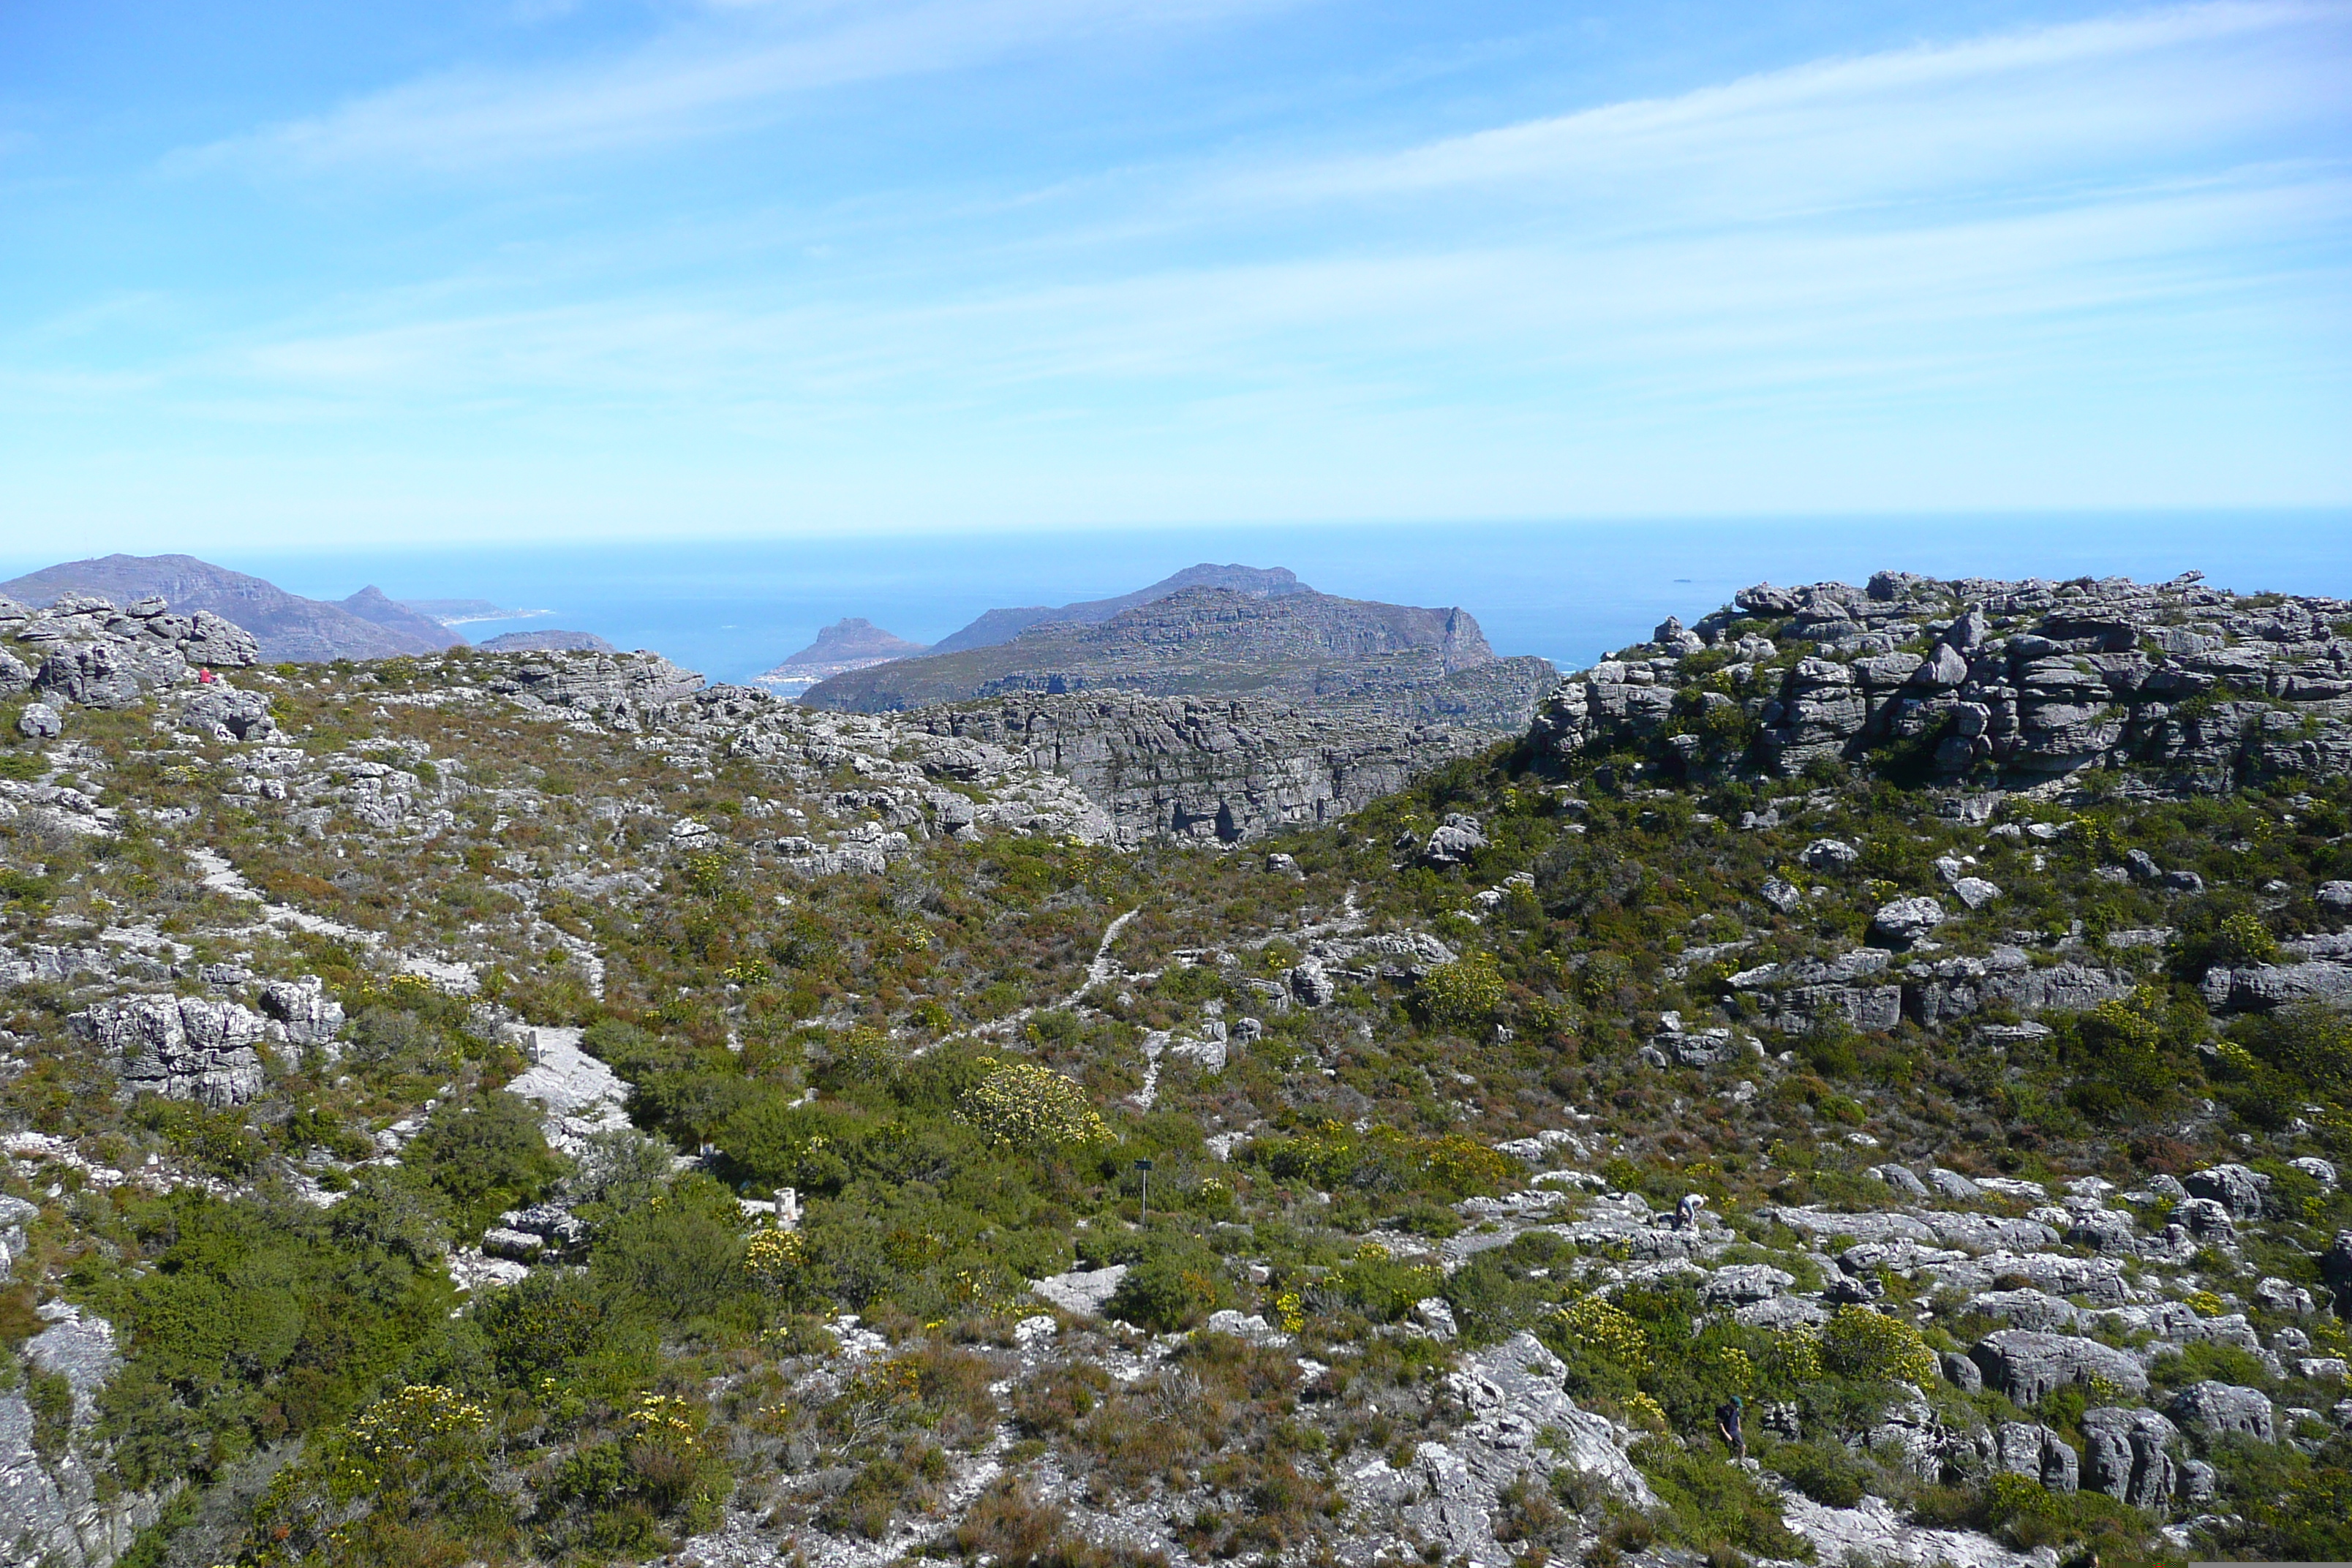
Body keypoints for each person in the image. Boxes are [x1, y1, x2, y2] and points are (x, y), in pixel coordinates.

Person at [1716, 1395, 1745, 1460]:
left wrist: (1739, 1427)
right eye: (1736, 1406)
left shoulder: (1736, 1410)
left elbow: (1737, 1417)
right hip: (1728, 1431)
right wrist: (1726, 1434)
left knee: (1742, 1446)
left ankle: (1741, 1461)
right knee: (1729, 1449)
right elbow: (1720, 1423)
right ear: (1732, 1404)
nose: (1737, 1408)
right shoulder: (1725, 1412)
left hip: (1735, 1430)